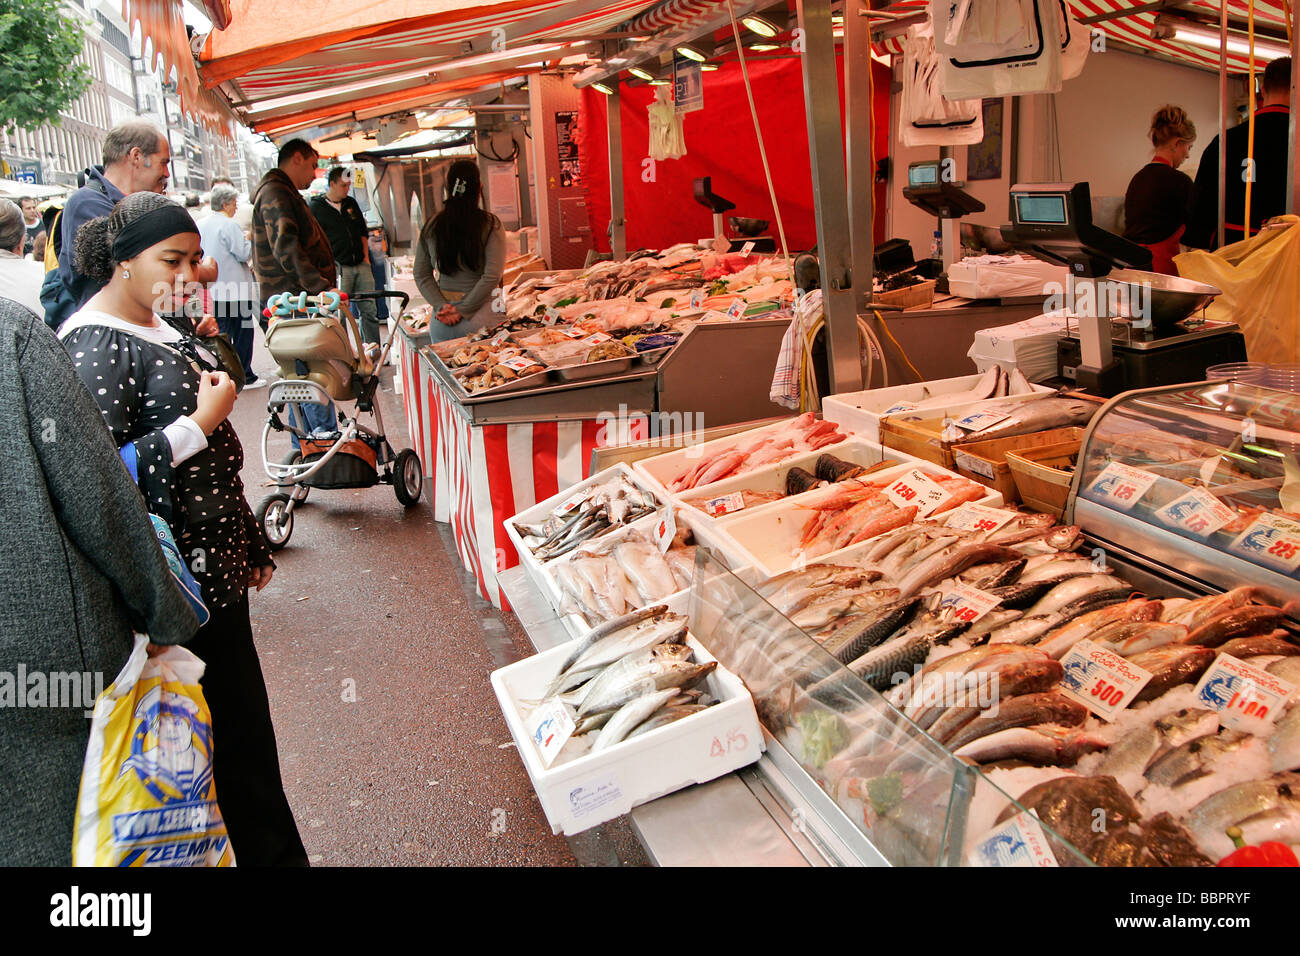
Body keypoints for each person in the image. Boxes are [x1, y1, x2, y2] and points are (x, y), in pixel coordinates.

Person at [61, 191, 308, 866]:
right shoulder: (92, 350)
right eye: (174, 259)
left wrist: (249, 541)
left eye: (196, 258)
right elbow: (95, 483)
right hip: (176, 591)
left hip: (213, 577)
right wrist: (193, 427)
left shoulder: (158, 325)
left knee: (243, 748)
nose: (192, 273)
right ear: (121, 263)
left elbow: (219, 459)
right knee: (232, 758)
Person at [0, 295, 199, 866]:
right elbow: (98, 495)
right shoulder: (15, 336)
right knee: (67, 837)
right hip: (39, 652)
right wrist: (161, 610)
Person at [40, 119, 171, 330]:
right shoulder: (87, 203)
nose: (167, 173)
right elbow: (132, 273)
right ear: (136, 156)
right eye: (163, 162)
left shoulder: (123, 202)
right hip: (111, 334)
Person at [251, 139, 337, 439]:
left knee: (299, 377)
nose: (314, 174)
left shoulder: (281, 191)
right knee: (307, 376)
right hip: (293, 304)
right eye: (313, 165)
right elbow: (285, 247)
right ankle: (321, 443)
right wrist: (321, 289)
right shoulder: (276, 192)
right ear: (296, 158)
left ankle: (306, 445)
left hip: (291, 301)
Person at [1186, 57, 1293, 249]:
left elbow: (1199, 213)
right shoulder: (1296, 144)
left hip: (1230, 260)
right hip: (1288, 261)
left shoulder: (1227, 141)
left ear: (1262, 89)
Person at [414, 159, 506, 342]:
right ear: (479, 187)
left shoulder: (432, 225)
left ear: (448, 188)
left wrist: (441, 306)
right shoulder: (490, 224)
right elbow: (492, 276)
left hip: (442, 322)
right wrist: (463, 309)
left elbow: (421, 274)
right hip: (483, 317)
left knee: (445, 370)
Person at [200, 182, 262, 387]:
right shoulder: (229, 225)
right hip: (236, 289)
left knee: (222, 335)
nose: (236, 207)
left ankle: (225, 373)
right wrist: (249, 238)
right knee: (244, 333)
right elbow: (244, 253)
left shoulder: (202, 224)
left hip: (214, 290)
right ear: (225, 204)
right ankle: (244, 374)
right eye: (234, 203)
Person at [1122, 106, 1196, 275]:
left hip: (1131, 266)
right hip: (1160, 269)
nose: (1188, 155)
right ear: (1177, 143)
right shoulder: (1180, 182)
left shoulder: (1138, 178)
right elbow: (1195, 231)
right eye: (1189, 147)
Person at [310, 167, 380, 345]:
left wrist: (365, 258)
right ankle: (345, 352)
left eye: (348, 185)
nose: (346, 189)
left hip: (360, 263)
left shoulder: (351, 203)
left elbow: (362, 231)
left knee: (369, 309)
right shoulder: (316, 207)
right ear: (332, 184)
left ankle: (372, 348)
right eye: (343, 185)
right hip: (338, 267)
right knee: (339, 312)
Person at [0, 198, 45, 315]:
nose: (32, 210)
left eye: (33, 207)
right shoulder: (44, 275)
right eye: (28, 208)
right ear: (22, 241)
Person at [368, 224, 391, 323]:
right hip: (374, 233)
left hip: (371, 233)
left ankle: (382, 313)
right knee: (380, 276)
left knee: (380, 276)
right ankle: (383, 313)